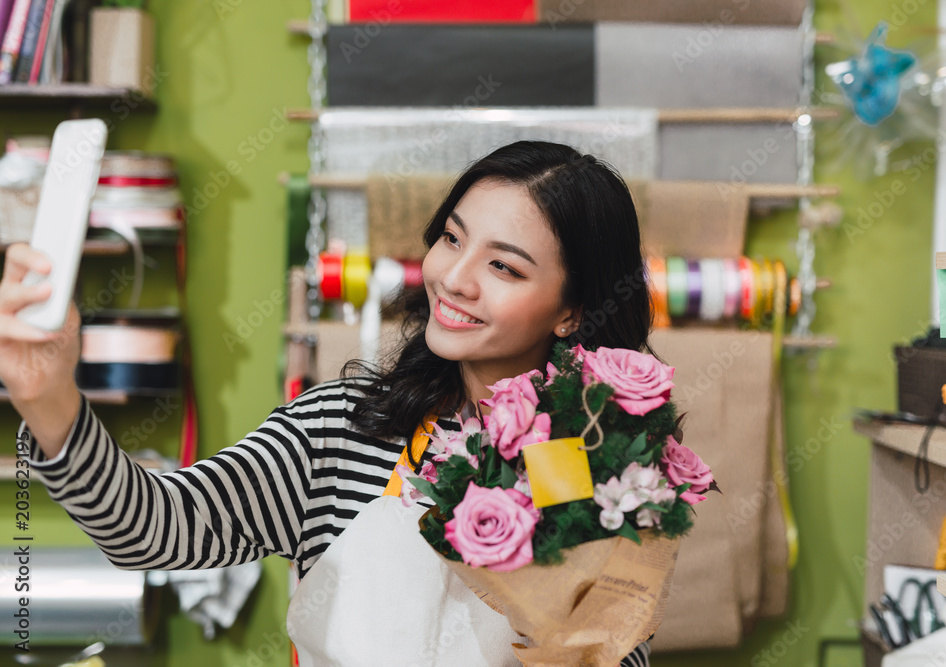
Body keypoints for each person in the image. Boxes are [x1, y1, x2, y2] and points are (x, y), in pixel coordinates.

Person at [0, 140, 656, 666]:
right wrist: (49, 398)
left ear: (572, 310)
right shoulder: (340, 430)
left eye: (503, 267)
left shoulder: (592, 467)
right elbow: (154, 528)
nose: (453, 278)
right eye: (452, 239)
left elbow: (618, 655)